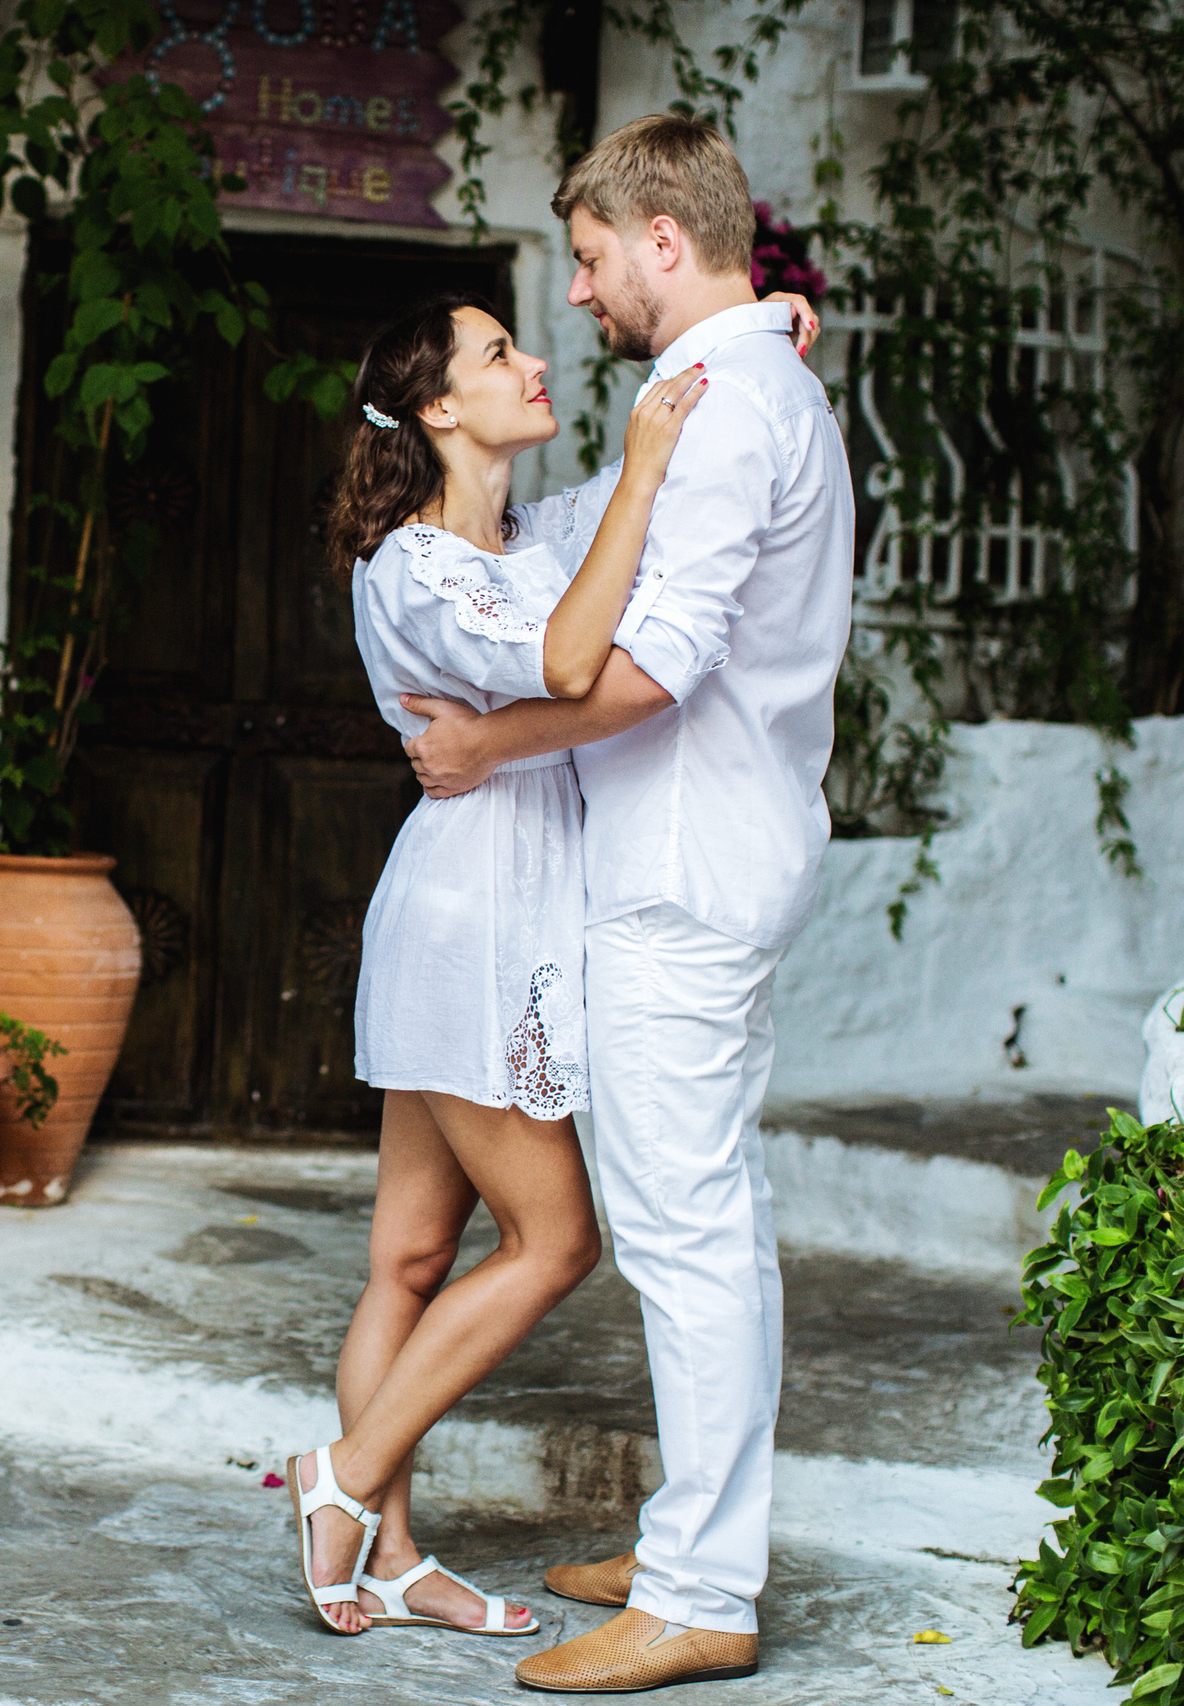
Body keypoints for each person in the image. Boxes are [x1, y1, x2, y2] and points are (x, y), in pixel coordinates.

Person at [284, 276, 818, 1644]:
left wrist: (763, 327)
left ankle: (389, 1555)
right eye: (498, 351)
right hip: (475, 921)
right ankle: (340, 1480)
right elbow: (572, 656)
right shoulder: (410, 565)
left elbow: (664, 468)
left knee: (409, 1256)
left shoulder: (531, 531)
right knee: (558, 1234)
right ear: (437, 405)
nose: (532, 363)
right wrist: (638, 465)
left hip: (500, 909)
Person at [398, 115, 855, 1693]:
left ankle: (701, 1593)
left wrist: (483, 745)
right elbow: (598, 529)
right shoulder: (744, 385)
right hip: (704, 859)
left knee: (687, 1233)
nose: (581, 295)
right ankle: (688, 1543)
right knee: (705, 1224)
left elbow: (654, 667)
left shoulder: (733, 407)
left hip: (684, 875)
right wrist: (777, 327)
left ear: (666, 240)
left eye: (590, 260)